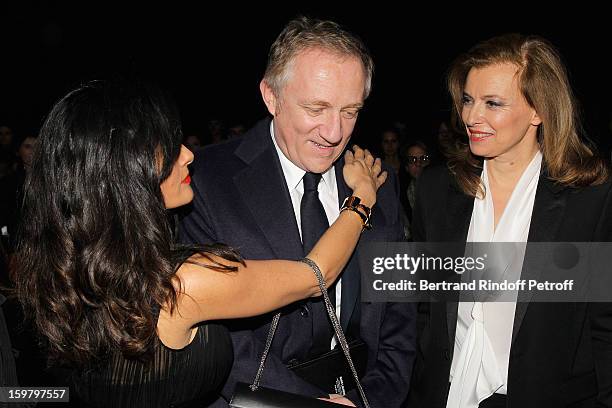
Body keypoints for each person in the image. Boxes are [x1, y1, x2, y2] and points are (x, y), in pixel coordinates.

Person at [13, 79, 387, 408]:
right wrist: (363, 197)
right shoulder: (183, 283)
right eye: (169, 149)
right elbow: (317, 274)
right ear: (127, 170)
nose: (189, 154)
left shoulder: (66, 270)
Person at [180, 17, 415, 408]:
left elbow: (398, 323)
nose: (334, 132)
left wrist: (370, 400)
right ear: (271, 96)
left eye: (350, 111)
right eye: (316, 108)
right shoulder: (205, 181)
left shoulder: (377, 181)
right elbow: (214, 337)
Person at [407, 34, 612, 408]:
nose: (471, 116)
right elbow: (422, 307)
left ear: (539, 111)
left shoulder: (589, 201)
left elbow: (604, 326)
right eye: (468, 100)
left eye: (493, 103)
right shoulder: (437, 190)